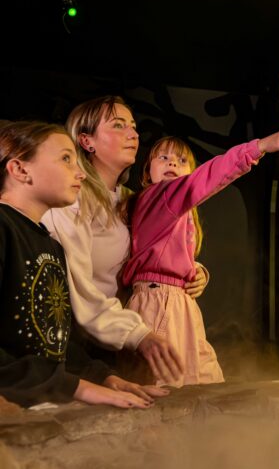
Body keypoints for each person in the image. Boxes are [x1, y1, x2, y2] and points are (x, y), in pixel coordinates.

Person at [121, 124, 279, 386]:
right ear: (147, 174)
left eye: (182, 160)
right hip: (159, 305)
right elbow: (210, 175)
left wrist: (196, 271)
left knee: (207, 380)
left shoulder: (177, 212)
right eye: (163, 157)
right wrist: (260, 146)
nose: (172, 162)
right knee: (167, 391)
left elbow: (163, 254)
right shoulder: (157, 196)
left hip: (180, 304)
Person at [0, 120, 167, 408]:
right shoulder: (4, 229)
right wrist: (78, 388)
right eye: (66, 159)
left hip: (44, 405)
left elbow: (51, 338)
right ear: (20, 169)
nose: (80, 173)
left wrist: (102, 377)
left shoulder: (51, 245)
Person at [42, 96, 205, 384]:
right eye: (118, 125)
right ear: (87, 141)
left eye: (133, 126)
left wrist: (195, 272)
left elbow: (158, 252)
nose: (133, 134)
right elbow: (79, 291)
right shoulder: (72, 202)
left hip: (129, 340)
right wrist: (138, 335)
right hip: (82, 346)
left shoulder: (133, 201)